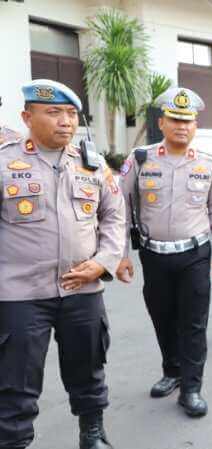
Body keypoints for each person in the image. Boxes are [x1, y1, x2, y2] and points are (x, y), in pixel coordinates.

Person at [0, 80, 125, 449]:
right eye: (54, 112)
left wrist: (103, 263)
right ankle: (14, 442)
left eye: (71, 113)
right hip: (20, 292)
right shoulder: (5, 161)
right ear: (27, 116)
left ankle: (92, 433)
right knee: (15, 380)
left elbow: (115, 215)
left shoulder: (91, 163)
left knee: (88, 368)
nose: (65, 122)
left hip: (82, 289)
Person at [115, 87, 212, 417]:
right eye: (175, 120)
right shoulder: (139, 159)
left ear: (195, 126)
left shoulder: (208, 164)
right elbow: (120, 206)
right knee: (162, 317)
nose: (182, 127)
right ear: (161, 123)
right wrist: (121, 254)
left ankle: (191, 388)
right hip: (153, 256)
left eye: (188, 121)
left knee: (193, 323)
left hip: (195, 254)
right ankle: (172, 371)